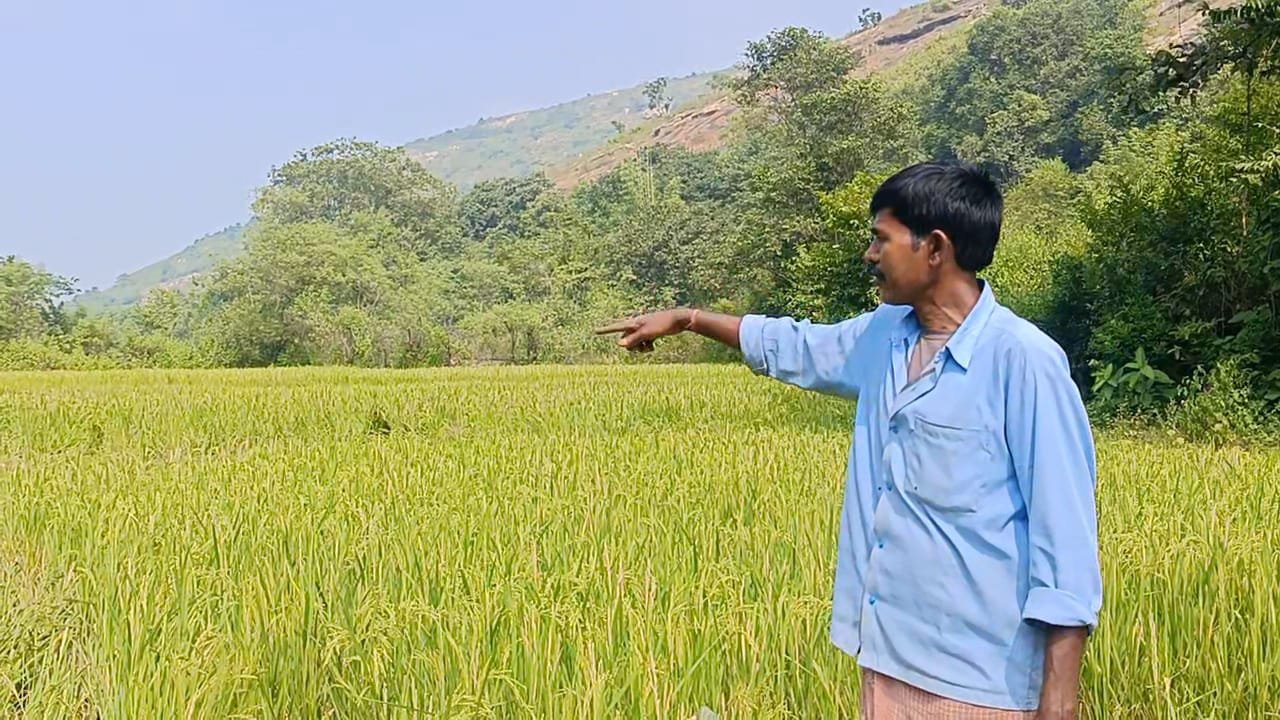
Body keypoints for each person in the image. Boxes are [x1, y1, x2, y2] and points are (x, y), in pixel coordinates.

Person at [595, 161, 1102, 719]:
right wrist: (689, 319)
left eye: (881, 239)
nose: (870, 254)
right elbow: (795, 346)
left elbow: (1064, 542)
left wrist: (1059, 704)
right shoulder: (885, 336)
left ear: (935, 248)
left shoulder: (1023, 361)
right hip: (886, 658)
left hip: (977, 683)